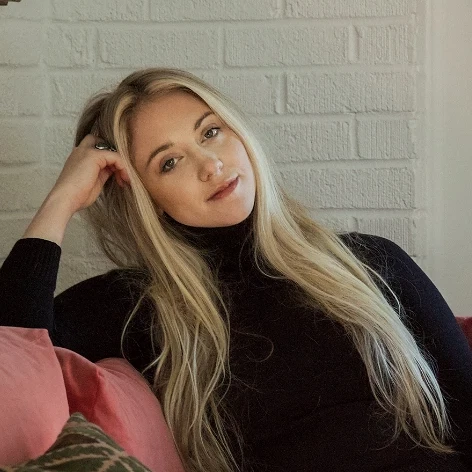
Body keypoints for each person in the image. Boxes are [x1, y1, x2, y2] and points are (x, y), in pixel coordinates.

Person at [1, 68, 471, 472]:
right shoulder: (138, 309)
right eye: (169, 162)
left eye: (210, 131)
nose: (210, 164)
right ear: (145, 199)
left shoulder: (370, 262)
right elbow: (14, 351)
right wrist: (62, 201)